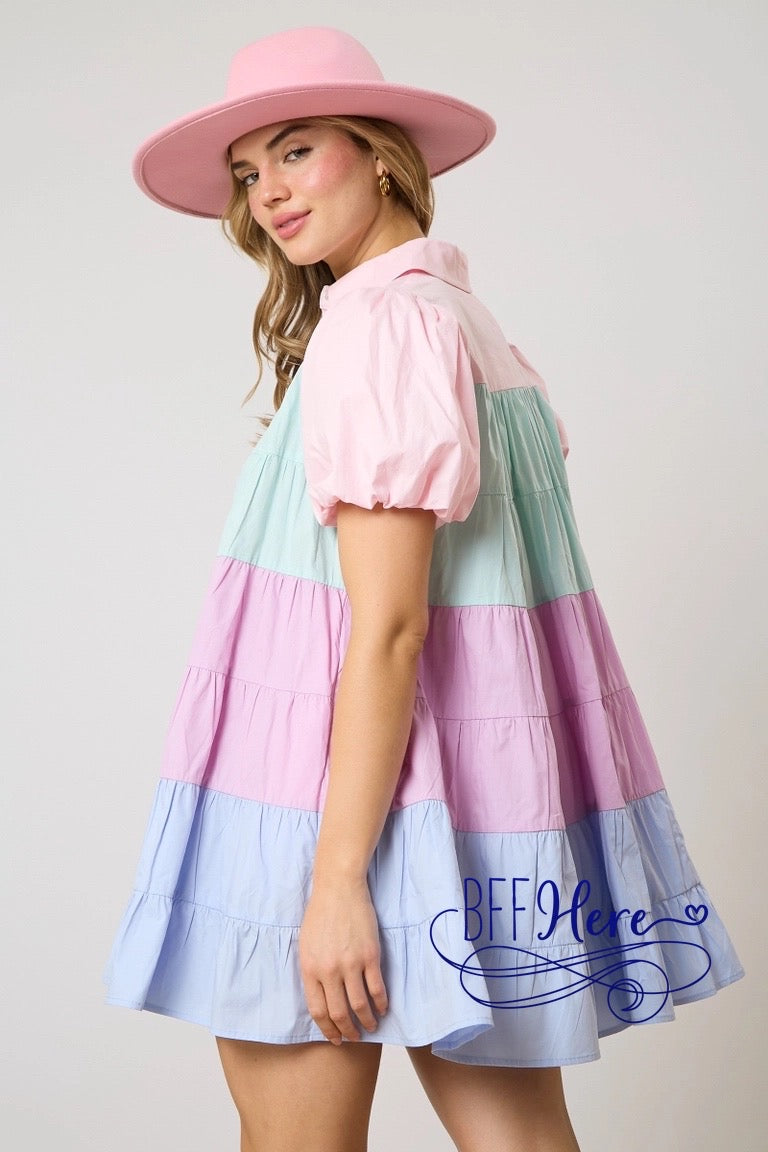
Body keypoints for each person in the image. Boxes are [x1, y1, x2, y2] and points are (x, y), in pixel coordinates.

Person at [103, 26, 744, 1152]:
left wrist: (336, 882)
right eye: (249, 174)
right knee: (521, 1138)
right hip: (476, 804)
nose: (269, 194)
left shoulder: (380, 326)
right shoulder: (464, 323)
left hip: (325, 803)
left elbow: (394, 628)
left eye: (297, 151)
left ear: (383, 155)